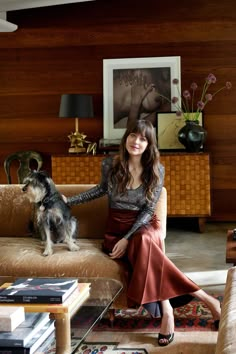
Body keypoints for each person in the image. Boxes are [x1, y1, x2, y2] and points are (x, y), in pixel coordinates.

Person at [66, 119, 221, 346]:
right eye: (133, 136)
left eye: (143, 138)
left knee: (144, 240)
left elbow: (148, 210)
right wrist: (68, 201)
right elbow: (99, 190)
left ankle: (167, 312)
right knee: (148, 248)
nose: (136, 142)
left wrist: (128, 239)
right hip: (115, 231)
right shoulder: (110, 164)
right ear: (126, 137)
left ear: (149, 144)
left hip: (143, 225)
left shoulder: (156, 169)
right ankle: (206, 299)